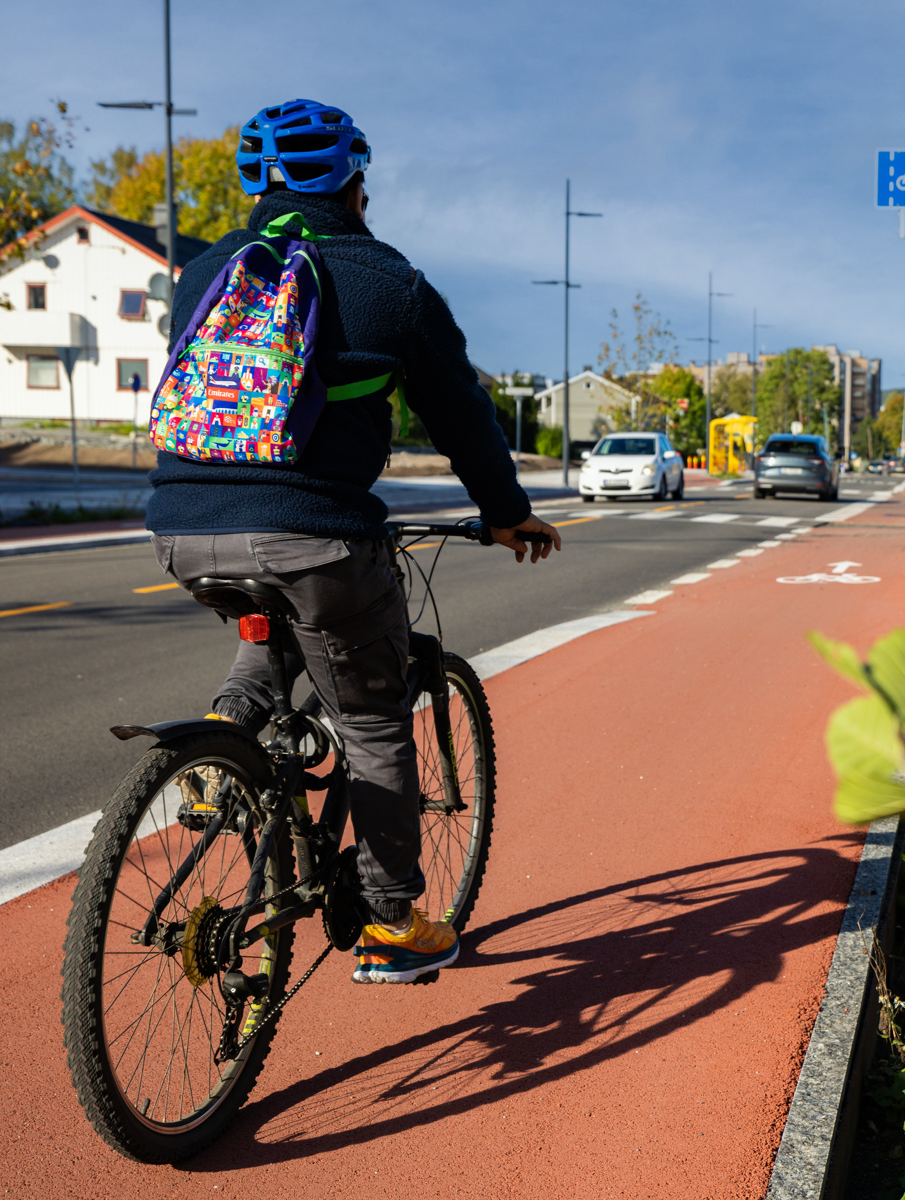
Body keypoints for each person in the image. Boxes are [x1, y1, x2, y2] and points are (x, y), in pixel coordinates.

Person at [146, 99, 561, 985]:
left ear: (252, 184)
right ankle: (389, 926)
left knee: (275, 628)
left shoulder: (205, 272)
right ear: (355, 186)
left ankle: (223, 747)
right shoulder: (388, 281)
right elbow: (461, 414)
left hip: (182, 530)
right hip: (317, 537)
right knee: (372, 720)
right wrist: (503, 509)